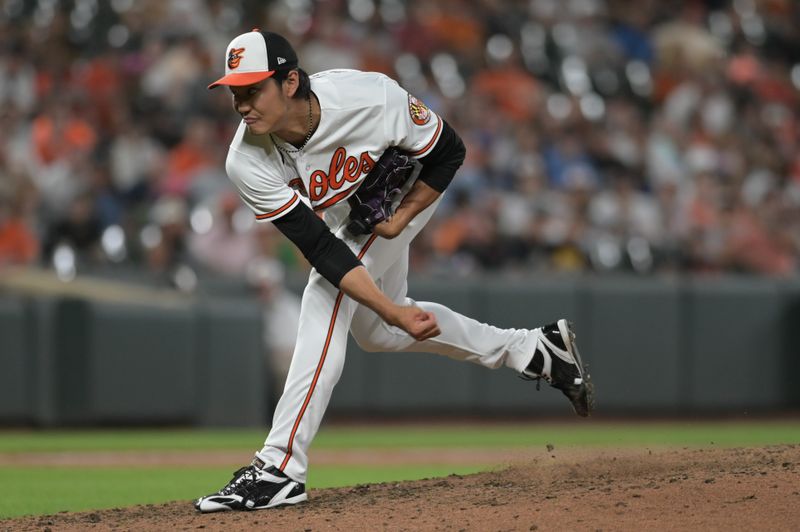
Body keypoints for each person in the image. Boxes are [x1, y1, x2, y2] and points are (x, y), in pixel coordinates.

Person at [195, 29, 594, 513]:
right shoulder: (246, 159)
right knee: (380, 331)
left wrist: (401, 218)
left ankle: (279, 467)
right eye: (235, 91)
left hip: (400, 196)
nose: (242, 104)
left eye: (253, 89)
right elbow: (320, 245)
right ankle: (534, 349)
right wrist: (391, 310)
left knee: (323, 297)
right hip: (348, 220)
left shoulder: (368, 97)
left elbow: (449, 152)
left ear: (291, 82)